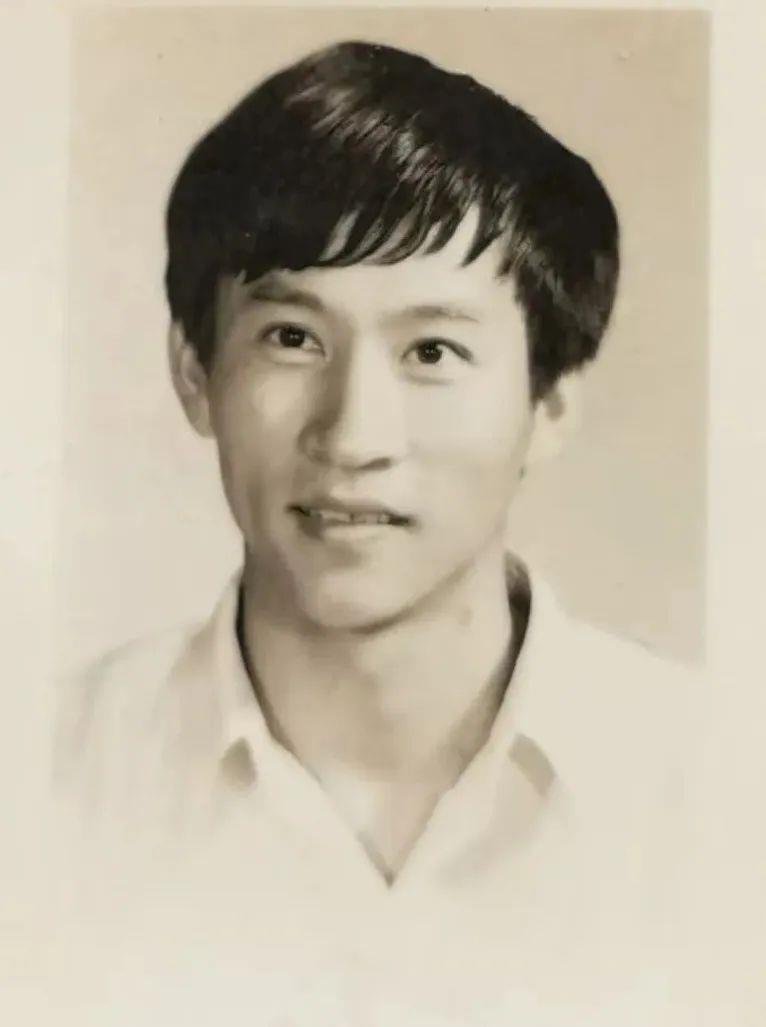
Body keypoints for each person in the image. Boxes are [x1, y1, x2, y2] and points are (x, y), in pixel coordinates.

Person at [55, 39, 695, 1027]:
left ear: (550, 405)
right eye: (292, 338)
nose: (353, 436)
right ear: (194, 373)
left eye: (431, 350)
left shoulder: (715, 783)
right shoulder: (45, 774)